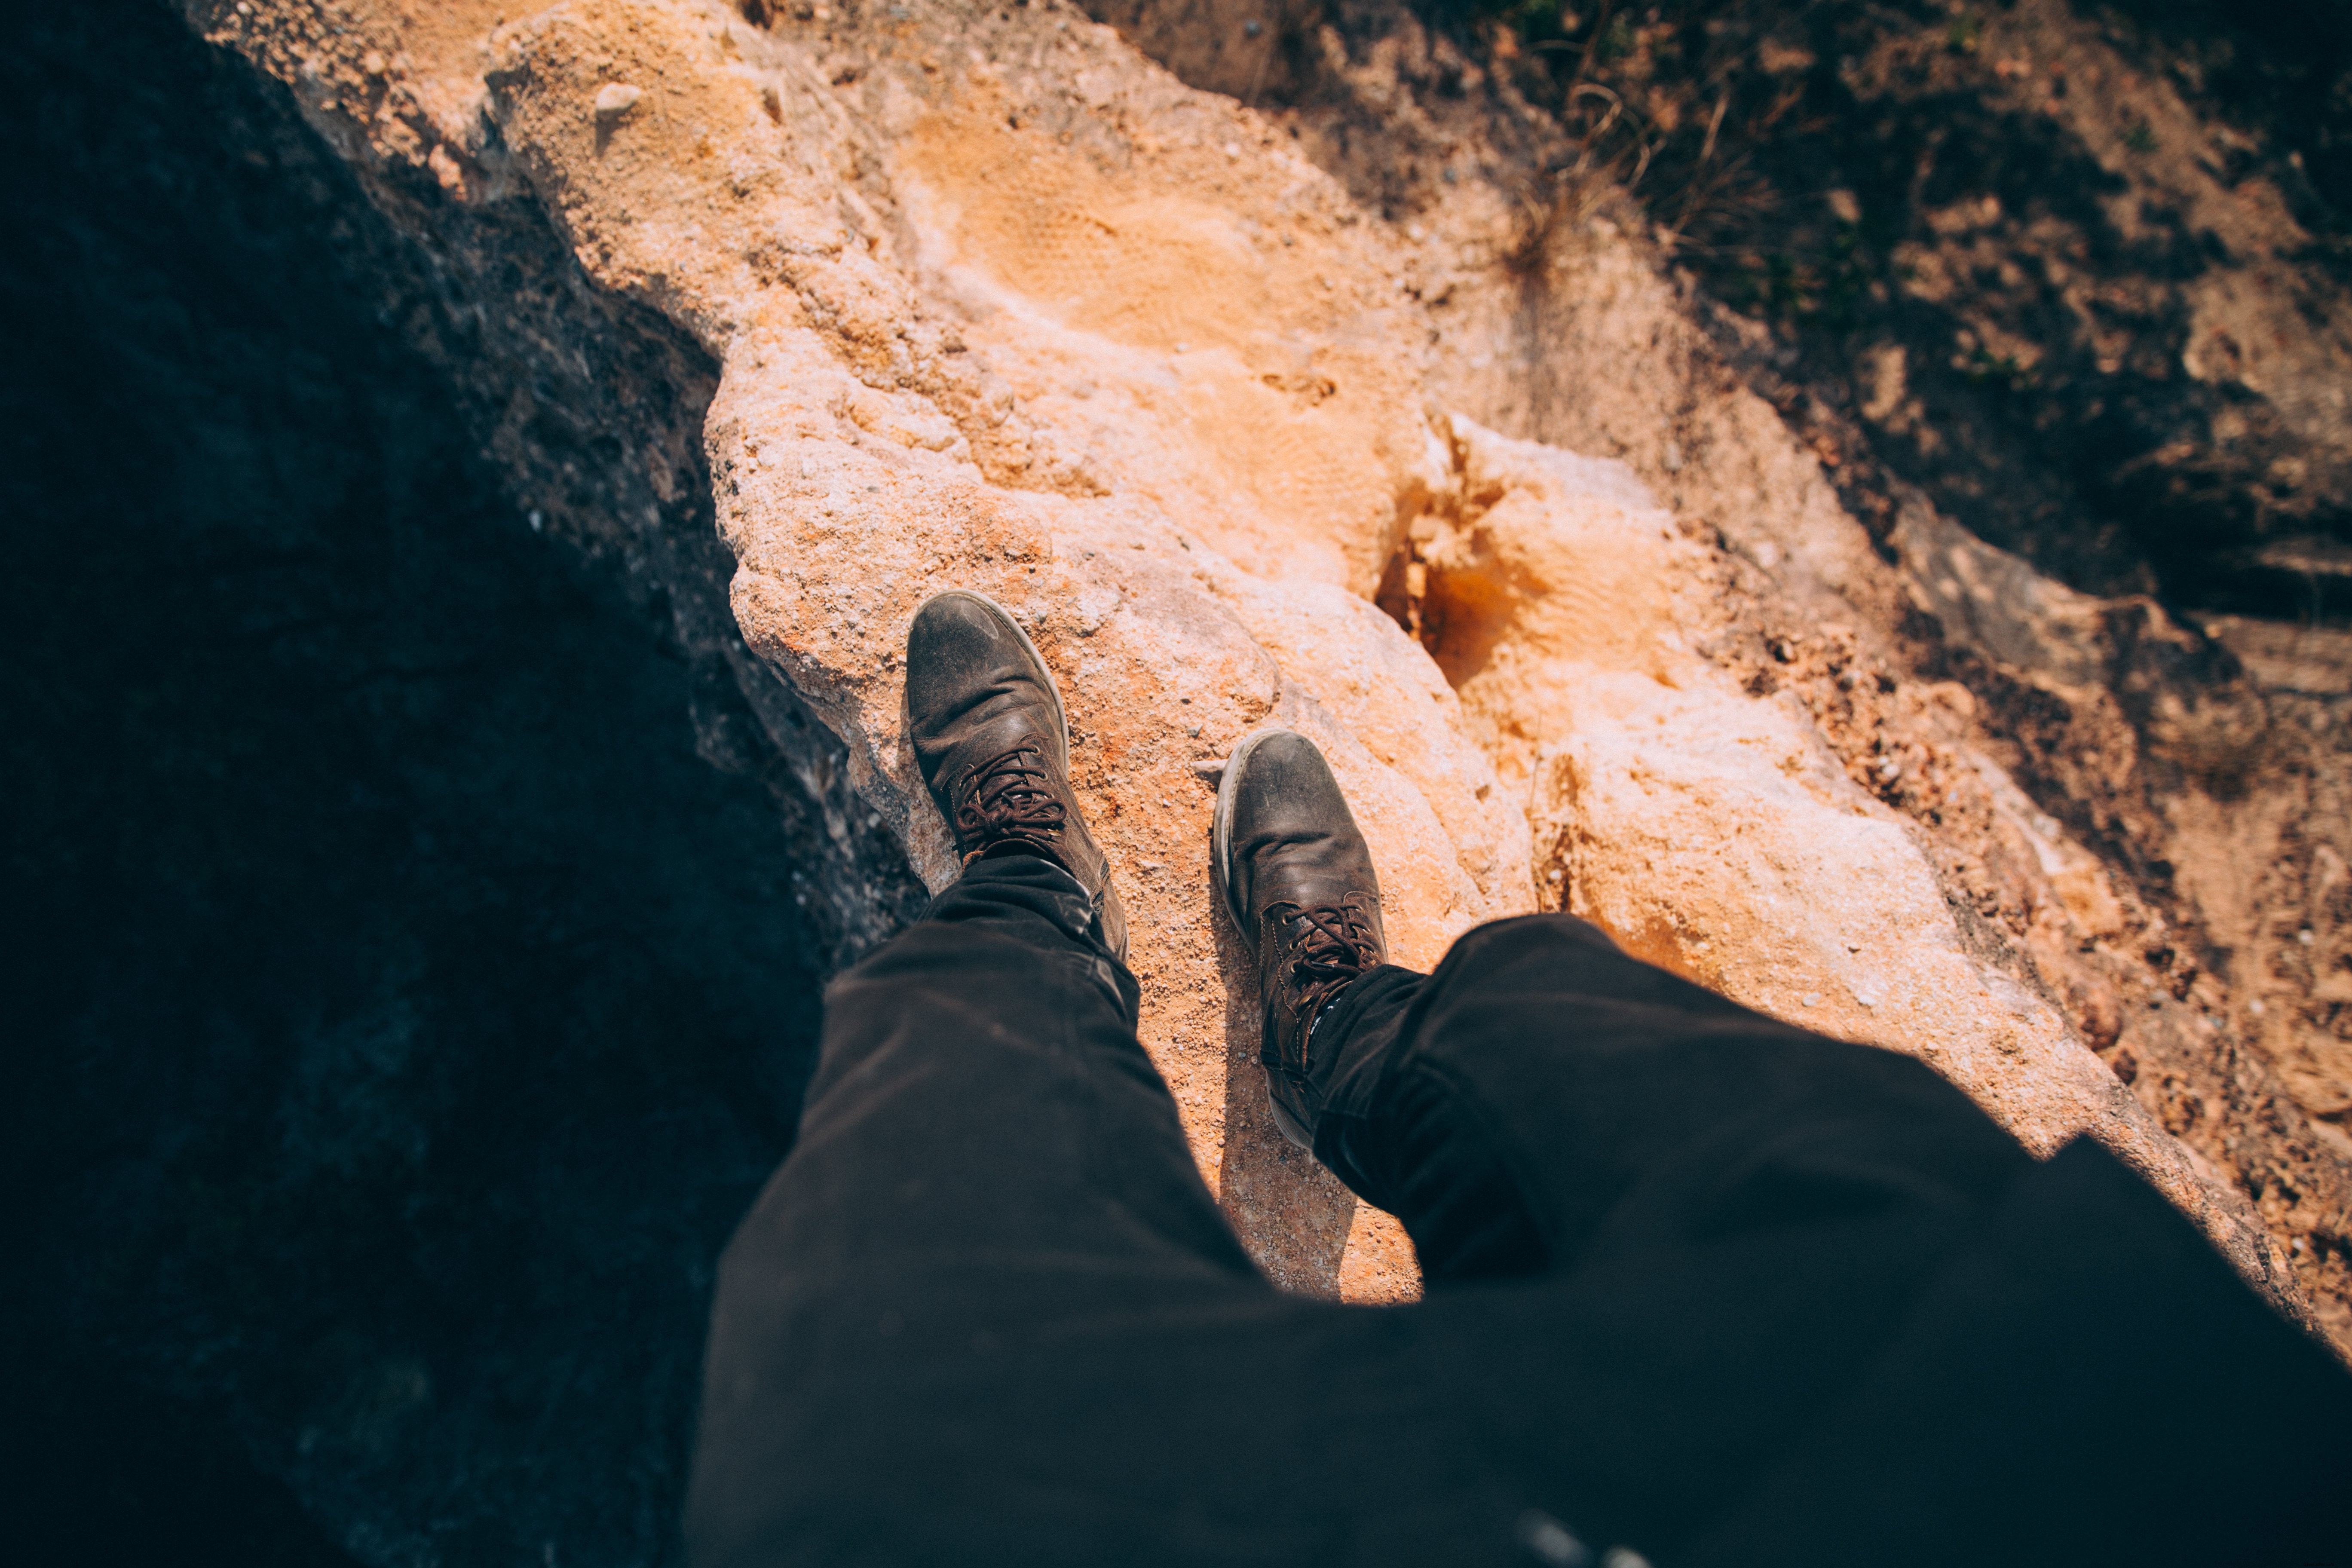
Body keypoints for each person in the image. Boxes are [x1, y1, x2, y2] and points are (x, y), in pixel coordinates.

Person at [685, 590, 2352, 1568]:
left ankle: (1030, 908)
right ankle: (1348, 1041)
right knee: (1597, 1023)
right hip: (2039, 1468)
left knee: (862, 1325)